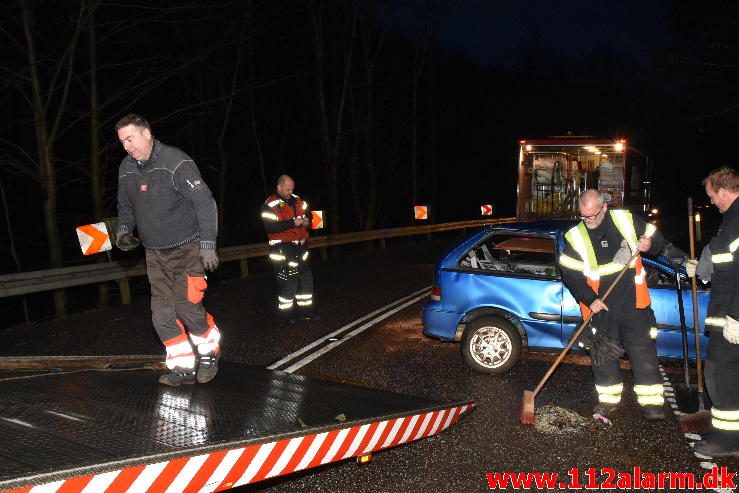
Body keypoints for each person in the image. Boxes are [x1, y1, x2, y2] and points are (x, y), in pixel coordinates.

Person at [115, 114, 221, 386]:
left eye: (130, 138)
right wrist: (124, 231)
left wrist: (207, 244)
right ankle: (182, 367)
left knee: (187, 307)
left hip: (187, 247)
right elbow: (125, 207)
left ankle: (209, 353)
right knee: (161, 314)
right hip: (154, 252)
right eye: (122, 141)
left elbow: (205, 203)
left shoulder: (176, 162)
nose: (127, 146)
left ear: (147, 133)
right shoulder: (126, 169)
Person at [559, 189, 666, 421]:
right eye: (583, 217)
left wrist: (650, 244)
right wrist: (590, 299)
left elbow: (656, 237)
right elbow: (569, 273)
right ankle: (608, 402)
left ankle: (652, 405)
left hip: (634, 305)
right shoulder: (576, 236)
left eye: (592, 216)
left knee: (643, 354)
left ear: (604, 207)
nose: (588, 221)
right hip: (601, 310)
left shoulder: (625, 220)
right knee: (603, 359)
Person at [685, 166, 739, 458]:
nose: (712, 202)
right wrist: (704, 270)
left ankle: (725, 442)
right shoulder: (730, 221)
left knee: (721, 378)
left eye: (712, 196)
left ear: (723, 190)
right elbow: (728, 264)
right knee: (730, 378)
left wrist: (737, 318)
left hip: (732, 318)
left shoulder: (737, 221)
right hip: (728, 313)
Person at [261, 175, 316, 323]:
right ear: (279, 187)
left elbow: (311, 216)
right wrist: (293, 223)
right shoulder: (270, 204)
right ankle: (286, 316)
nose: (290, 191)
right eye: (287, 189)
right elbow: (270, 227)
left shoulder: (298, 200)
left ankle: (306, 312)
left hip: (301, 248)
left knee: (306, 280)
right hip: (282, 250)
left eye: (292, 188)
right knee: (288, 283)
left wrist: (307, 221)